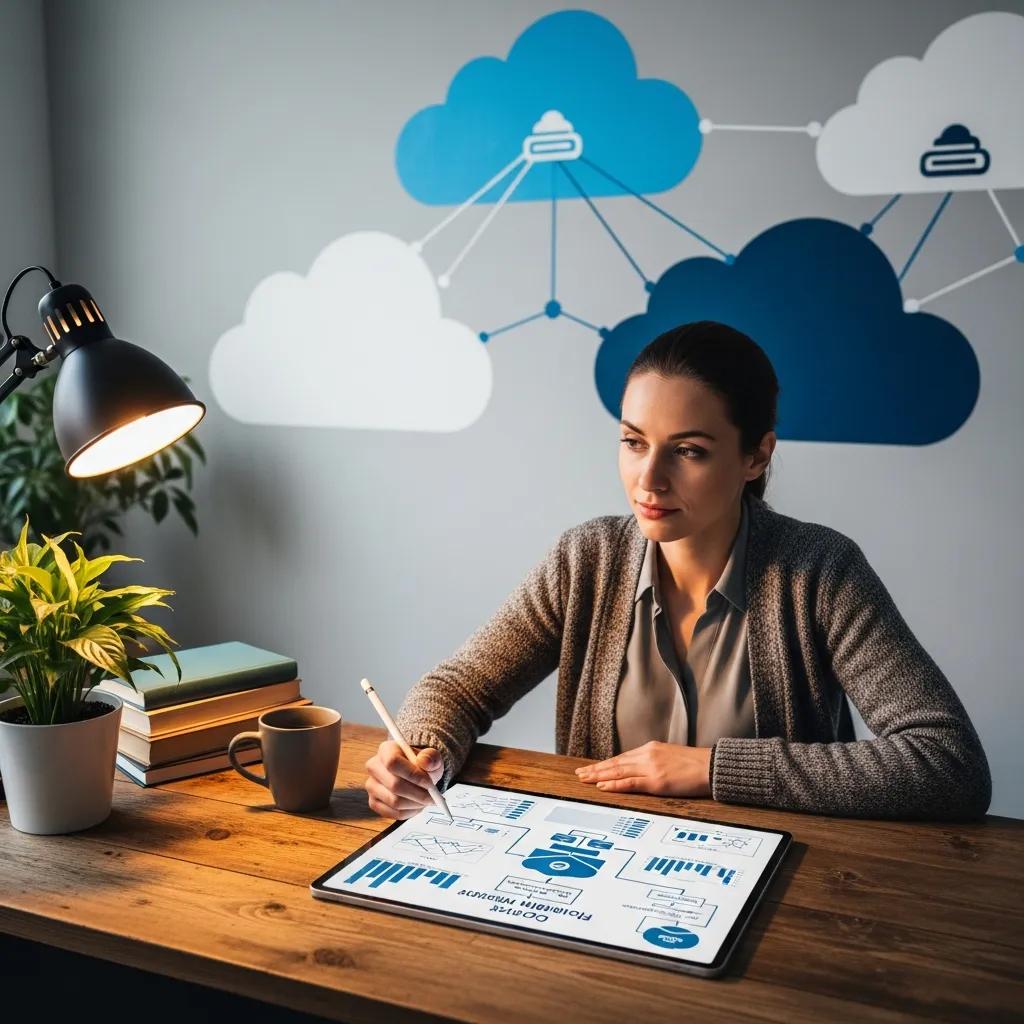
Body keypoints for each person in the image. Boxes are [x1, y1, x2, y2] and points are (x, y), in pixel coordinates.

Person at [363, 321, 991, 822]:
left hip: (779, 895)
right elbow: (461, 688)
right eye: (634, 441)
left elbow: (949, 764)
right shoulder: (587, 559)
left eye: (688, 451)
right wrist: (422, 752)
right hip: (594, 875)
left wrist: (712, 769)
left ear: (756, 456)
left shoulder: (819, 572)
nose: (649, 479)